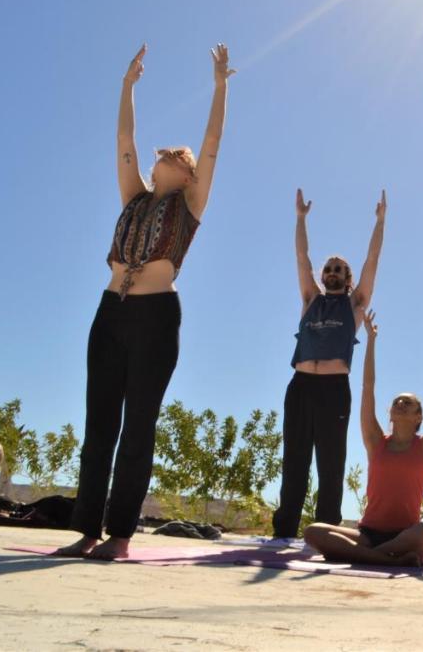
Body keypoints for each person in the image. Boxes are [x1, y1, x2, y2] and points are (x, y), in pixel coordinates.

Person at [55, 43, 235, 561]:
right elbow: (123, 139)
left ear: (187, 174)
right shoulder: (133, 196)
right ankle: (86, 529)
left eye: (176, 158)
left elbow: (213, 141)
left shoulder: (191, 204)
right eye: (165, 156)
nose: (166, 157)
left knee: (138, 425)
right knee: (99, 424)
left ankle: (120, 536)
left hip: (157, 317)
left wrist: (220, 85)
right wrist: (127, 85)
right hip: (110, 312)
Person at [304, 311, 423, 566]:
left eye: (408, 403)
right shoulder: (375, 441)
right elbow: (367, 387)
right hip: (368, 535)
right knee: (313, 531)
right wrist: (371, 340)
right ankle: (385, 558)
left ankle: (377, 556)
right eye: (397, 401)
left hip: (406, 535)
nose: (401, 403)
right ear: (390, 413)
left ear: (418, 417)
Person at [271, 188, 386, 541]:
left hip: (335, 390)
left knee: (331, 464)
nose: (333, 272)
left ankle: (326, 534)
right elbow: (301, 256)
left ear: (347, 278)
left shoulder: (354, 306)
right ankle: (284, 532)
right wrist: (301, 219)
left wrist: (380, 223)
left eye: (339, 269)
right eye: (329, 269)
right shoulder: (310, 300)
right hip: (301, 386)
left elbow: (372, 260)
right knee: (295, 461)